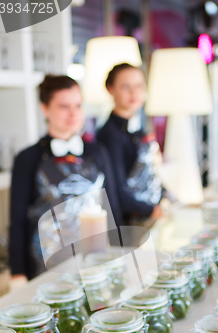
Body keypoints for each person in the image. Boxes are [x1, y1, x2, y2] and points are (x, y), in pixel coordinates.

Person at [9, 74, 121, 282]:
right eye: (63, 106)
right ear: (45, 108)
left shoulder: (98, 152)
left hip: (95, 264)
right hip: (46, 268)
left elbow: (112, 207)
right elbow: (17, 221)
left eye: (77, 106)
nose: (73, 114)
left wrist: (119, 255)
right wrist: (17, 273)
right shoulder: (27, 158)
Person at [97, 63, 163, 225]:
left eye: (139, 86)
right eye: (125, 86)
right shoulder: (109, 135)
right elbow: (116, 191)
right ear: (110, 89)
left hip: (147, 214)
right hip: (130, 222)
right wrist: (152, 210)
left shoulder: (137, 129)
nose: (134, 92)